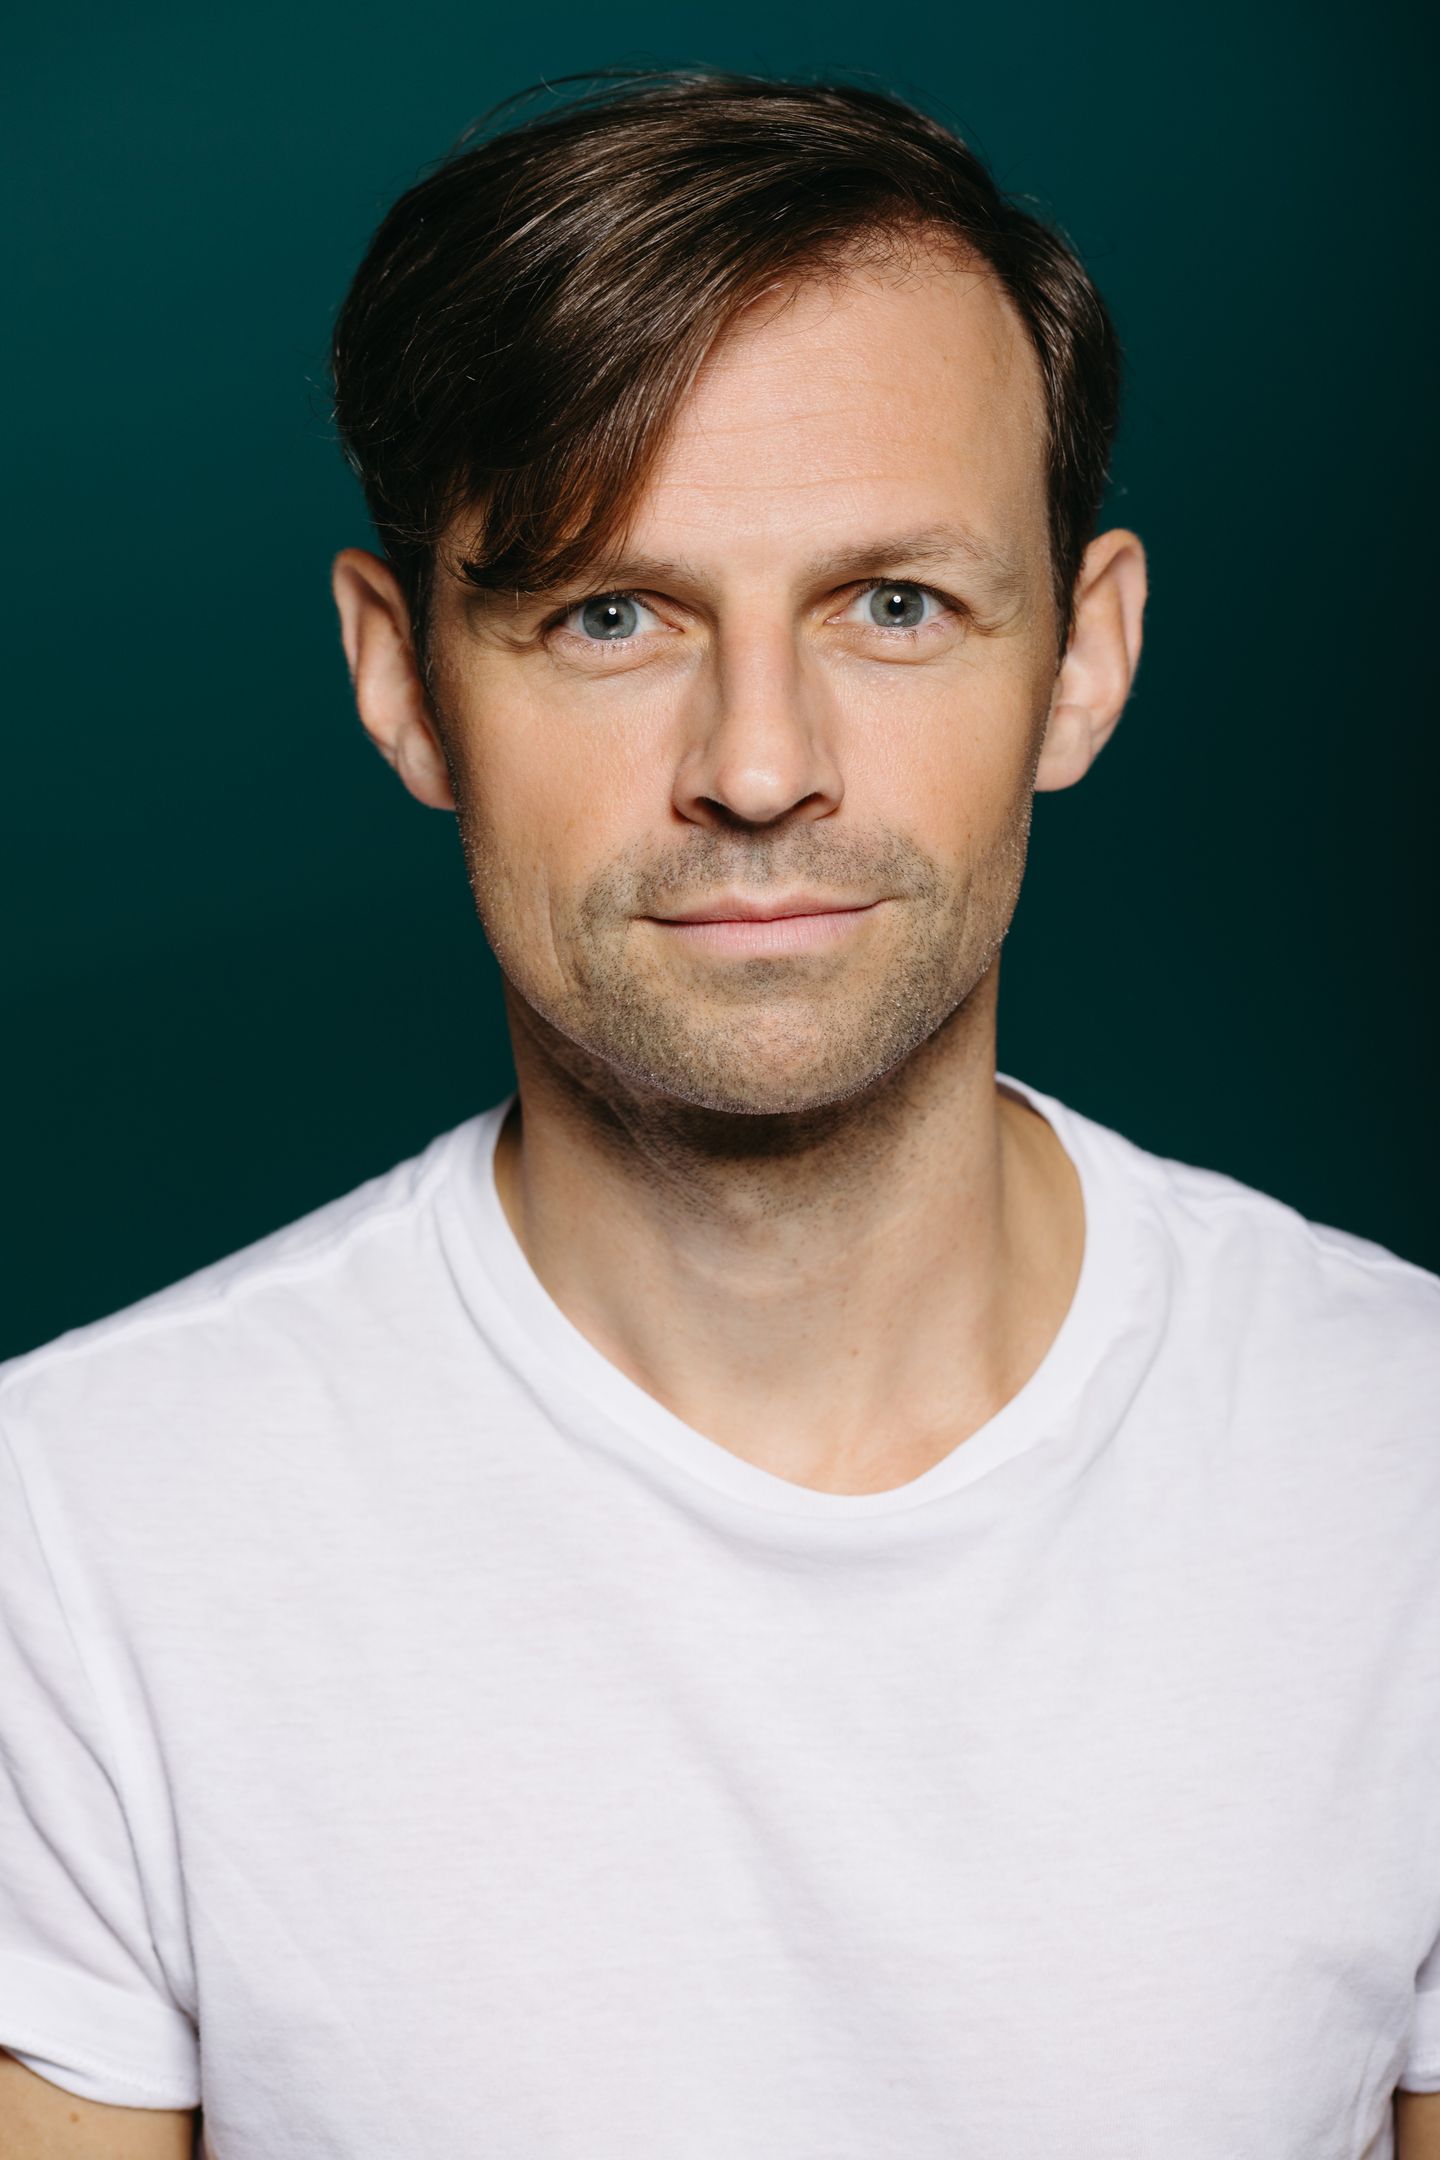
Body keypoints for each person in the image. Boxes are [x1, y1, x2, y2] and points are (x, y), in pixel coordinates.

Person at [1, 66, 1436, 2160]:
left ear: (1085, 657)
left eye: (893, 605)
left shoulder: (1407, 1470)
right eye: (610, 615)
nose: (760, 767)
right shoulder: (73, 1536)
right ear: (403, 680)